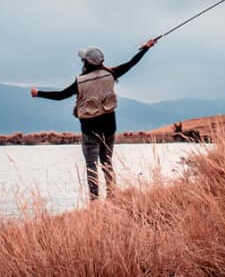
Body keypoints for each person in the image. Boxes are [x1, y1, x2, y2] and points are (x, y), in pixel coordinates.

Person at [31, 37, 158, 200]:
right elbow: (131, 63)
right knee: (107, 163)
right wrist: (146, 47)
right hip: (110, 127)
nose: (82, 61)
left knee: (92, 166)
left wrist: (38, 93)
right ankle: (112, 197)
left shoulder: (80, 81)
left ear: (87, 62)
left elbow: (61, 95)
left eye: (83, 59)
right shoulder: (111, 73)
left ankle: (94, 202)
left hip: (90, 130)